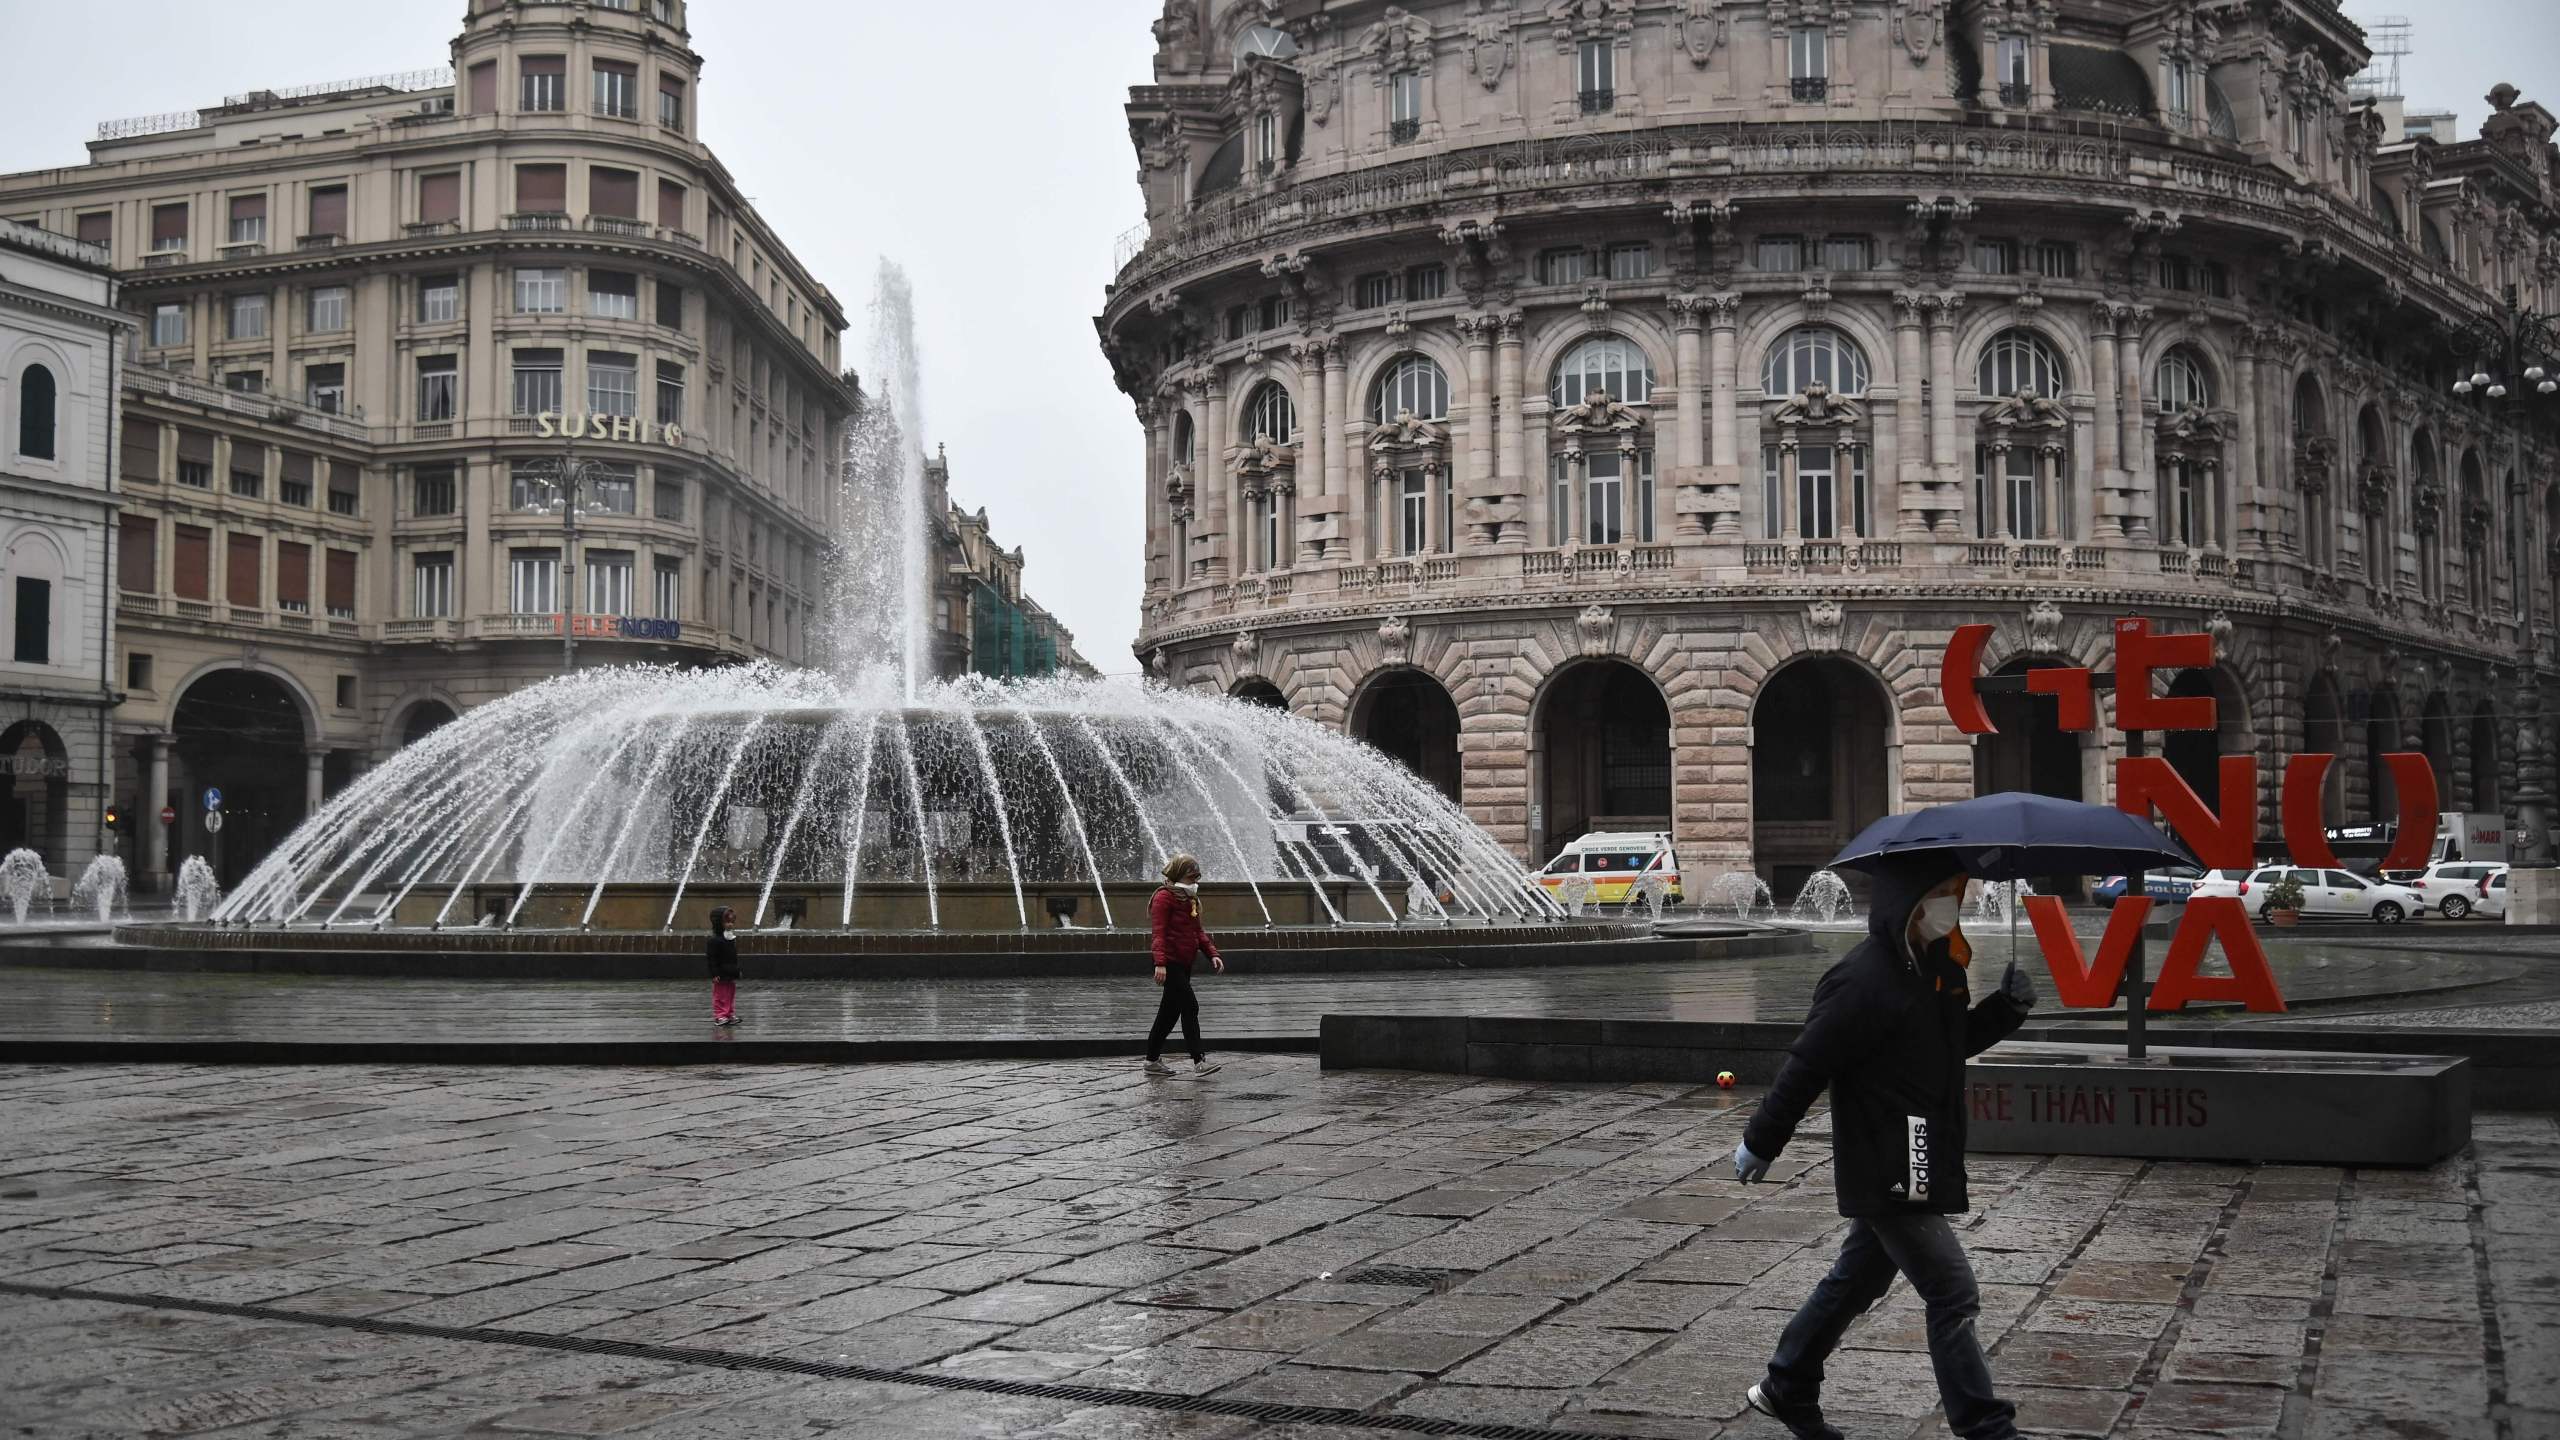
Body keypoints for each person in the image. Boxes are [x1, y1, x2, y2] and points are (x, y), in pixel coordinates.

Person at [1733, 857, 2037, 1440]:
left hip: (1920, 1148)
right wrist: (1761, 1139)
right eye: (1943, 894)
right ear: (1911, 904)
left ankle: (1787, 1385)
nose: (1954, 905)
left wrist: (2004, 1011)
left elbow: (1945, 1046)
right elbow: (1807, 1063)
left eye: (1957, 893)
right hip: (1886, 1159)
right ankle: (1986, 1428)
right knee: (1952, 1291)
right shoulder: (1863, 979)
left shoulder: (1936, 967)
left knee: (1858, 1278)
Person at [1145, 854, 1225, 1076]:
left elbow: (1197, 932)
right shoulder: (1164, 898)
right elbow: (1158, 933)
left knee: (1168, 1014)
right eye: (1191, 878)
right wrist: (1160, 963)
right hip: (1170, 963)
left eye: (1197, 877)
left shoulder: (1190, 899)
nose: (1195, 882)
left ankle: (1151, 1061)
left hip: (1184, 962)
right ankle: (1199, 1061)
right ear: (1179, 876)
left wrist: (1212, 954)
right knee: (1190, 1006)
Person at [707, 906, 740, 1027]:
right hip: (720, 973)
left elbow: (733, 956)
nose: (730, 925)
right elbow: (712, 959)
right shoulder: (714, 941)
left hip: (730, 972)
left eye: (732, 922)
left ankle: (729, 1013)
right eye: (727, 922)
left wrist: (736, 969)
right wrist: (714, 973)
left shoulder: (730, 938)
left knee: (730, 994)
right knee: (720, 995)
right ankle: (720, 1015)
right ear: (719, 923)